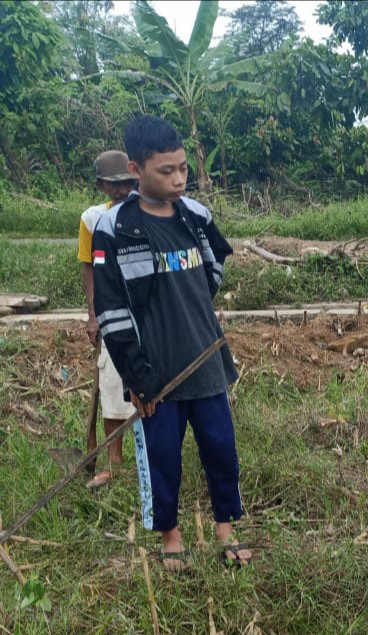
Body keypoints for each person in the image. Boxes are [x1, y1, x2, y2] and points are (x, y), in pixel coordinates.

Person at [92, 115, 247, 571]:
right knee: (161, 455)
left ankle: (226, 527)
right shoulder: (115, 228)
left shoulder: (196, 215)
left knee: (221, 445)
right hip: (156, 373)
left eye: (183, 168)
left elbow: (218, 258)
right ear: (136, 170)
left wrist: (196, 303)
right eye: (166, 171)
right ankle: (170, 535)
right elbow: (111, 308)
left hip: (206, 361)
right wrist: (138, 375)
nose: (179, 178)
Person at [78, 151, 137, 489]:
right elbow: (88, 266)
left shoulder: (147, 210)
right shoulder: (92, 219)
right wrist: (93, 314)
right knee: (113, 389)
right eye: (114, 185)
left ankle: (150, 462)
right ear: (100, 185)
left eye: (128, 183)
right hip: (111, 317)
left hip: (147, 316)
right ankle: (114, 463)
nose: (122, 190)